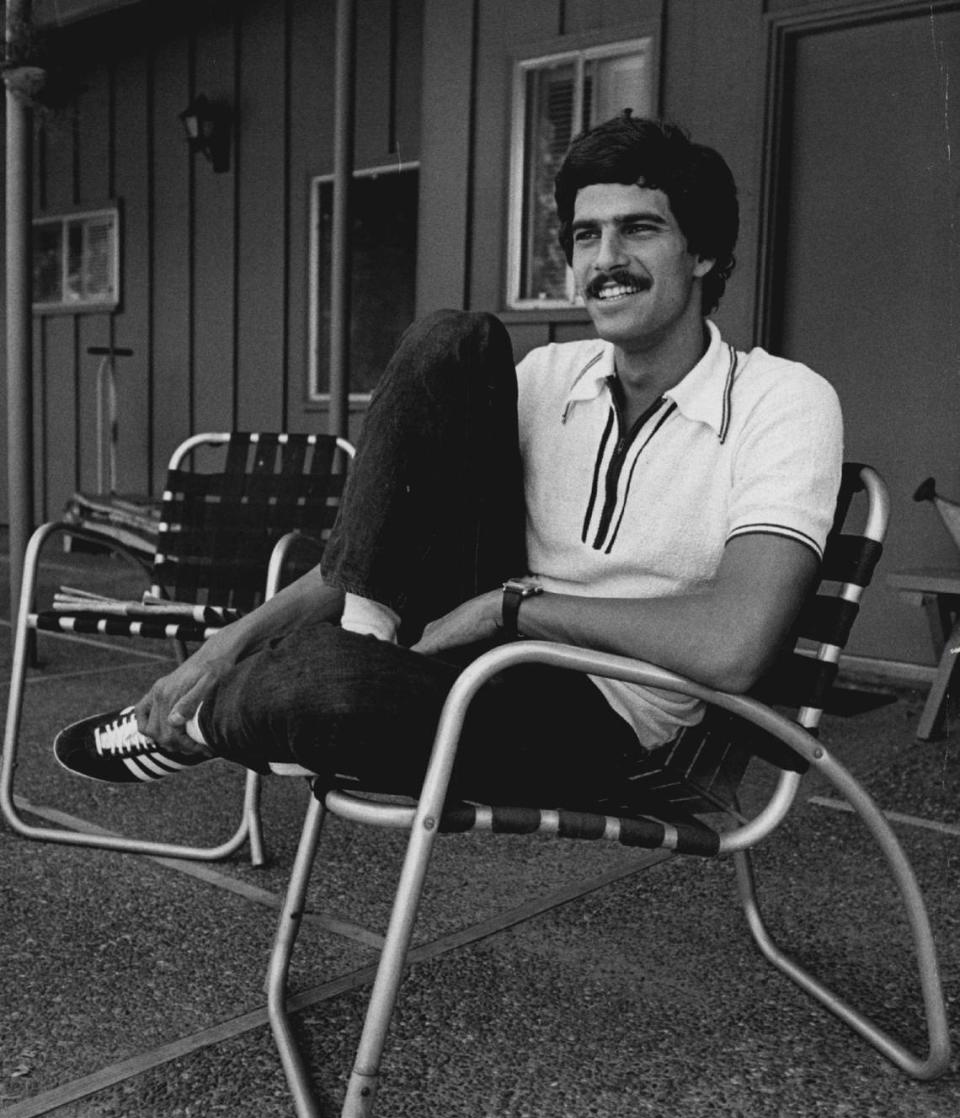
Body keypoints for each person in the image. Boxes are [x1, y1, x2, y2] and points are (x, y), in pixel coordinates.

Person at [54, 114, 842, 804]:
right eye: (585, 235)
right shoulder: (548, 379)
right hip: (466, 658)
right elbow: (366, 551)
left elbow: (734, 648)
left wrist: (512, 607)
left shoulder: (783, 401)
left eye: (639, 229)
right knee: (455, 339)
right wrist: (227, 641)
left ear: (702, 252)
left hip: (606, 721)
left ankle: (208, 721)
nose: (606, 259)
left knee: (328, 688)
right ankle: (316, 665)